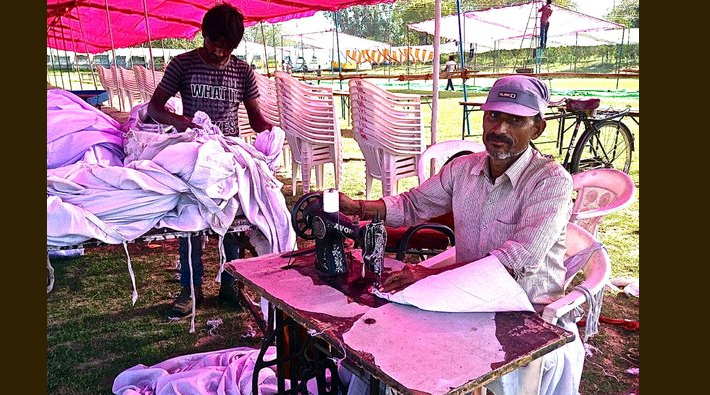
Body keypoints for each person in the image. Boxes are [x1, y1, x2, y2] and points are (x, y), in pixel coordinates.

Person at [339, 75, 583, 394]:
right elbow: (413, 204)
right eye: (494, 116)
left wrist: (429, 276)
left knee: (419, 355)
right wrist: (358, 207)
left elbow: (515, 262)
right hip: (464, 303)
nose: (500, 130)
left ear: (537, 128)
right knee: (380, 335)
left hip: (525, 311)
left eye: (515, 120)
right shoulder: (463, 170)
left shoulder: (550, 182)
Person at [147, 3, 273, 317]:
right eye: (215, 44)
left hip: (227, 155)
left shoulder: (242, 70)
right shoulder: (183, 64)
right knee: (191, 220)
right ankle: (190, 289)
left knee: (229, 221)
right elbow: (154, 108)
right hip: (194, 152)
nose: (219, 52)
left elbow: (255, 117)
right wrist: (180, 122)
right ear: (204, 35)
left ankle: (230, 283)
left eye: (227, 47)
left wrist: (274, 132)